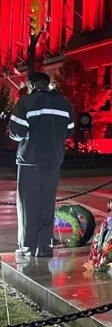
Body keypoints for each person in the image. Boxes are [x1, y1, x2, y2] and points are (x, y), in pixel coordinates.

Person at [7, 72, 74, 259]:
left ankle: (27, 247)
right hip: (54, 159)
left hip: (30, 160)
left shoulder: (27, 102)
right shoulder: (64, 103)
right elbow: (69, 132)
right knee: (47, 203)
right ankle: (44, 246)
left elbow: (16, 133)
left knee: (28, 205)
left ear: (31, 85)